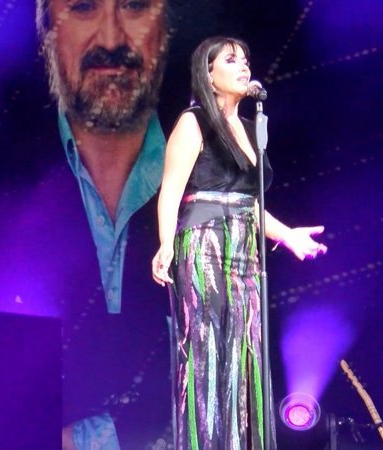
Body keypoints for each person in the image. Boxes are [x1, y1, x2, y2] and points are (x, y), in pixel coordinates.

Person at [151, 36, 328, 449]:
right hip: (205, 245)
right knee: (208, 350)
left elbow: (250, 203)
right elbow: (171, 190)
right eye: (231, 60)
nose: (244, 66)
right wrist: (165, 243)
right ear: (209, 75)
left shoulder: (251, 129)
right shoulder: (194, 122)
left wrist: (287, 235)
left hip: (245, 252)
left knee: (245, 350)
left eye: (246, 59)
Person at [36, 0, 169, 314]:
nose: (111, 41)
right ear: (46, 34)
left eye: (134, 5)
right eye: (83, 7)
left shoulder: (206, 165)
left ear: (164, 29)